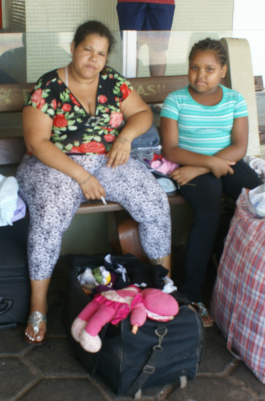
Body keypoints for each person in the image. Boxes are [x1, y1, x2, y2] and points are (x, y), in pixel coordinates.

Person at [17, 20, 172, 343]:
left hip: (106, 159)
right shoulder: (49, 86)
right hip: (54, 164)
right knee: (49, 216)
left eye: (101, 53)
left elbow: (142, 113)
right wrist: (81, 176)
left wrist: (125, 138)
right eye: (87, 49)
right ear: (73, 48)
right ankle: (38, 305)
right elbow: (37, 142)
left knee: (154, 201)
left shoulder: (113, 82)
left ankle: (165, 287)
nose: (93, 58)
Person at [160, 38, 262, 325]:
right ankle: (191, 294)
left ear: (223, 71)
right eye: (194, 68)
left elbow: (239, 147)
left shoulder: (234, 99)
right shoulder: (176, 100)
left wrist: (201, 168)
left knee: (257, 199)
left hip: (219, 164)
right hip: (188, 165)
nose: (200, 75)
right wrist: (206, 165)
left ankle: (240, 276)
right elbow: (171, 149)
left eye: (209, 69)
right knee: (207, 214)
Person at [116, 0, 175, 77]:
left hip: (162, 2)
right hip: (129, 2)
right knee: (130, 51)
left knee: (158, 49)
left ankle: (158, 88)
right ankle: (130, 88)